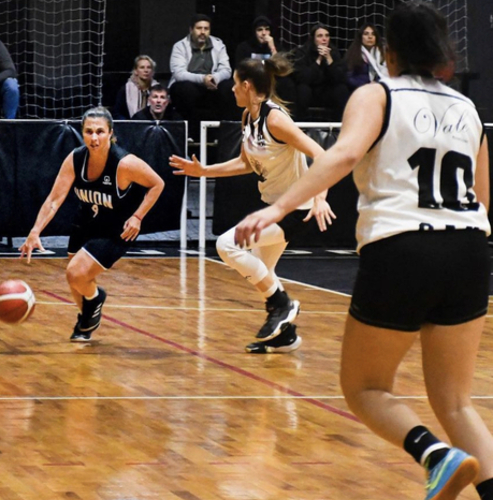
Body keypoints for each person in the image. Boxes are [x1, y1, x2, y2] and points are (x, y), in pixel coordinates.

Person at [235, 3, 493, 498]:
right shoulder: (468, 108)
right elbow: (484, 196)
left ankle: (433, 454)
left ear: (388, 51)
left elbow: (345, 153)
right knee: (458, 402)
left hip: (403, 246)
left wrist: (278, 208)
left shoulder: (377, 94)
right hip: (469, 250)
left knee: (366, 388)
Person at [169, 54, 335, 354]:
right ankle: (285, 337)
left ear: (246, 86)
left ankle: (283, 305)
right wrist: (205, 171)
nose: (230, 90)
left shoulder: (275, 119)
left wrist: (320, 197)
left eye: (234, 84)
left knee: (226, 245)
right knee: (263, 273)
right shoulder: (249, 117)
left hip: (294, 209)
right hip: (273, 205)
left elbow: (322, 155)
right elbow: (246, 163)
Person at [19, 107, 165, 342]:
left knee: (76, 273)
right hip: (85, 222)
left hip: (116, 229)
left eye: (100, 131)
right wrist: (35, 231)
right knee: (75, 279)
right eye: (89, 132)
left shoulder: (125, 163)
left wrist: (138, 216)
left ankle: (95, 300)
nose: (94, 138)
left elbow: (157, 184)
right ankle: (86, 321)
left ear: (110, 133)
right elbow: (55, 199)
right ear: (82, 133)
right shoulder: (76, 158)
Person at [169, 14, 239, 135]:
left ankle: (225, 133)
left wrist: (215, 78)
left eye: (206, 29)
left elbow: (226, 70)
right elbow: (179, 73)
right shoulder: (180, 46)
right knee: (184, 89)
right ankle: (190, 133)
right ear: (191, 30)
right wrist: (202, 79)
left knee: (230, 88)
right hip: (191, 84)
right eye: (199, 28)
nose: (203, 32)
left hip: (212, 85)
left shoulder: (218, 44)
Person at [234, 15, 297, 115]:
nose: (264, 33)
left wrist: (272, 48)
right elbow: (240, 68)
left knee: (287, 84)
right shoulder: (244, 47)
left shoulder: (276, 46)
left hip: (272, 79)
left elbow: (282, 69)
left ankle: (286, 116)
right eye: (260, 30)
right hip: (252, 79)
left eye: (267, 29)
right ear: (254, 32)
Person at [292, 24, 349, 120]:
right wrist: (319, 59)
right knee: (303, 89)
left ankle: (339, 127)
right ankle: (300, 126)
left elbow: (339, 78)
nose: (324, 39)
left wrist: (329, 59)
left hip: (326, 93)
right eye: (320, 36)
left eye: (327, 36)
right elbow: (304, 78)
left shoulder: (334, 53)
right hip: (310, 93)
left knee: (341, 89)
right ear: (313, 39)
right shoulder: (302, 52)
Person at [112, 55, 158, 120]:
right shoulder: (126, 89)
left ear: (152, 71)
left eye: (149, 67)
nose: (146, 70)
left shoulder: (158, 89)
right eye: (142, 67)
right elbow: (117, 112)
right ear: (136, 71)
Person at [344, 23, 388, 91]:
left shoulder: (383, 54)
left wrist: (377, 84)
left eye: (373, 34)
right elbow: (348, 78)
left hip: (379, 90)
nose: (370, 37)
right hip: (359, 91)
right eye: (366, 34)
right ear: (360, 37)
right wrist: (366, 85)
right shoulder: (353, 54)